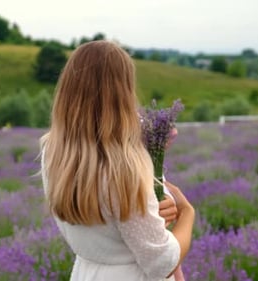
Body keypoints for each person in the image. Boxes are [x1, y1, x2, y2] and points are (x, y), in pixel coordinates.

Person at [40, 40, 195, 281]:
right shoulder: (125, 170)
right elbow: (162, 263)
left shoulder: (53, 152)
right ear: (122, 92)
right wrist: (187, 213)